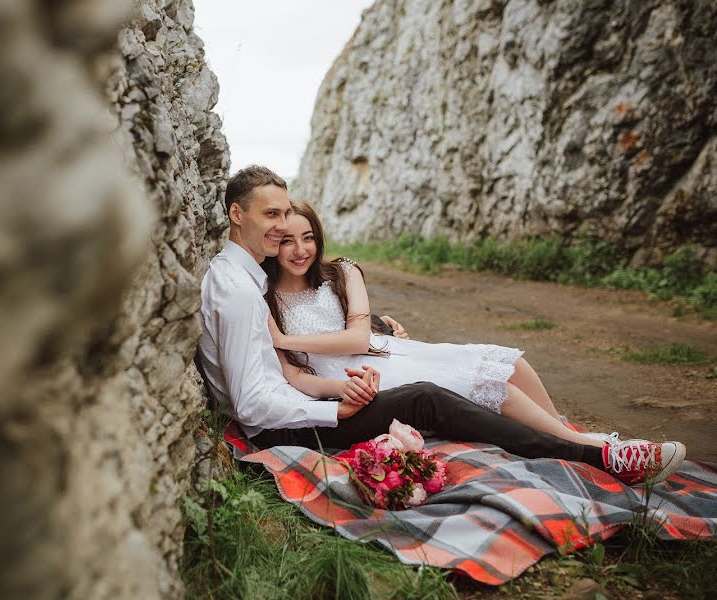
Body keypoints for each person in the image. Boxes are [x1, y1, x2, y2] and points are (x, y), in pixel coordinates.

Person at [197, 165, 685, 486]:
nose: (283, 228)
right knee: (429, 395)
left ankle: (583, 442)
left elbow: (313, 322)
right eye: (272, 216)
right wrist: (335, 408)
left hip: (321, 392)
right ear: (237, 215)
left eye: (287, 214)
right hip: (289, 425)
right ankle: (595, 458)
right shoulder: (241, 291)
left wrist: (377, 329)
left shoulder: (251, 277)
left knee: (489, 365)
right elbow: (251, 403)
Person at [263, 201, 638, 452]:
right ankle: (593, 450)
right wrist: (333, 380)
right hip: (357, 377)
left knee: (512, 365)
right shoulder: (266, 300)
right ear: (272, 246)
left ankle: (571, 437)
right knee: (494, 390)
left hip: (385, 352)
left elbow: (359, 335)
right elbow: (294, 374)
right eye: (287, 241)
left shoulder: (342, 272)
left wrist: (285, 338)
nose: (300, 250)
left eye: (308, 238)